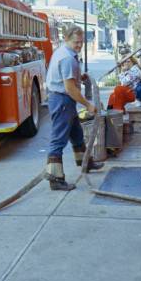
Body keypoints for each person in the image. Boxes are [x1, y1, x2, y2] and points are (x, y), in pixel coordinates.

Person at [45, 25, 104, 191]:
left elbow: (68, 79)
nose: (79, 45)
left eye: (81, 42)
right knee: (58, 139)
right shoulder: (68, 59)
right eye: (76, 42)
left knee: (77, 134)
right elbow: (70, 88)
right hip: (62, 100)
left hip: (63, 100)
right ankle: (55, 178)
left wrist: (79, 76)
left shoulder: (64, 52)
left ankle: (85, 163)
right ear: (66, 39)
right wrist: (88, 105)